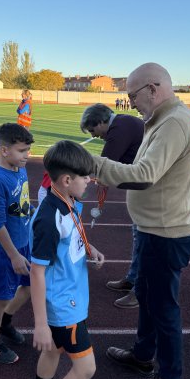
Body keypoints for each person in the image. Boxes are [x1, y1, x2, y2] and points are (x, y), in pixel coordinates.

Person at [93, 63, 190, 379]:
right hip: (155, 228)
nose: (130, 103)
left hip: (166, 233)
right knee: (150, 300)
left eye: (132, 95)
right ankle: (142, 355)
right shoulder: (161, 120)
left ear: (153, 88)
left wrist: (89, 163)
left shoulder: (174, 122)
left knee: (163, 307)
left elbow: (144, 174)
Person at [30, 140, 105, 379]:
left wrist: (88, 247)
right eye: (84, 176)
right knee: (85, 369)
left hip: (69, 294)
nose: (89, 180)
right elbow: (36, 272)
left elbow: (71, 234)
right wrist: (40, 324)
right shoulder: (49, 219)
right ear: (65, 179)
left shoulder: (67, 200)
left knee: (53, 351)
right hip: (63, 305)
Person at [80, 103, 144, 309]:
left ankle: (140, 289)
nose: (95, 135)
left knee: (145, 240)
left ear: (101, 122)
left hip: (150, 192)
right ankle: (133, 279)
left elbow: (104, 166)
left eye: (93, 130)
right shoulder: (124, 122)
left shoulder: (119, 129)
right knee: (139, 236)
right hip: (143, 188)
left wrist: (88, 178)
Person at [0, 123, 34, 364]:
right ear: (4, 150)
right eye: (22, 151)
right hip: (6, 250)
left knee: (30, 286)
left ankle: (5, 322)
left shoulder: (19, 169)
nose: (27, 155)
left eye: (27, 150)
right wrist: (13, 255)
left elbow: (23, 202)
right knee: (2, 297)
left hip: (24, 243)